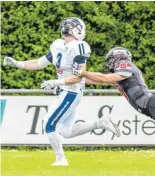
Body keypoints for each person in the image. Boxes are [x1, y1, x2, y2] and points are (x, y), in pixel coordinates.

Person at [3, 17, 120, 166]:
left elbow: (78, 77)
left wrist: (55, 82)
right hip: (65, 91)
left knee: (49, 124)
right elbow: (39, 63)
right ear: (78, 30)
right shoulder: (58, 45)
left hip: (71, 91)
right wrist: (17, 63)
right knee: (66, 131)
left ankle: (61, 160)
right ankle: (100, 123)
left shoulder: (78, 47)